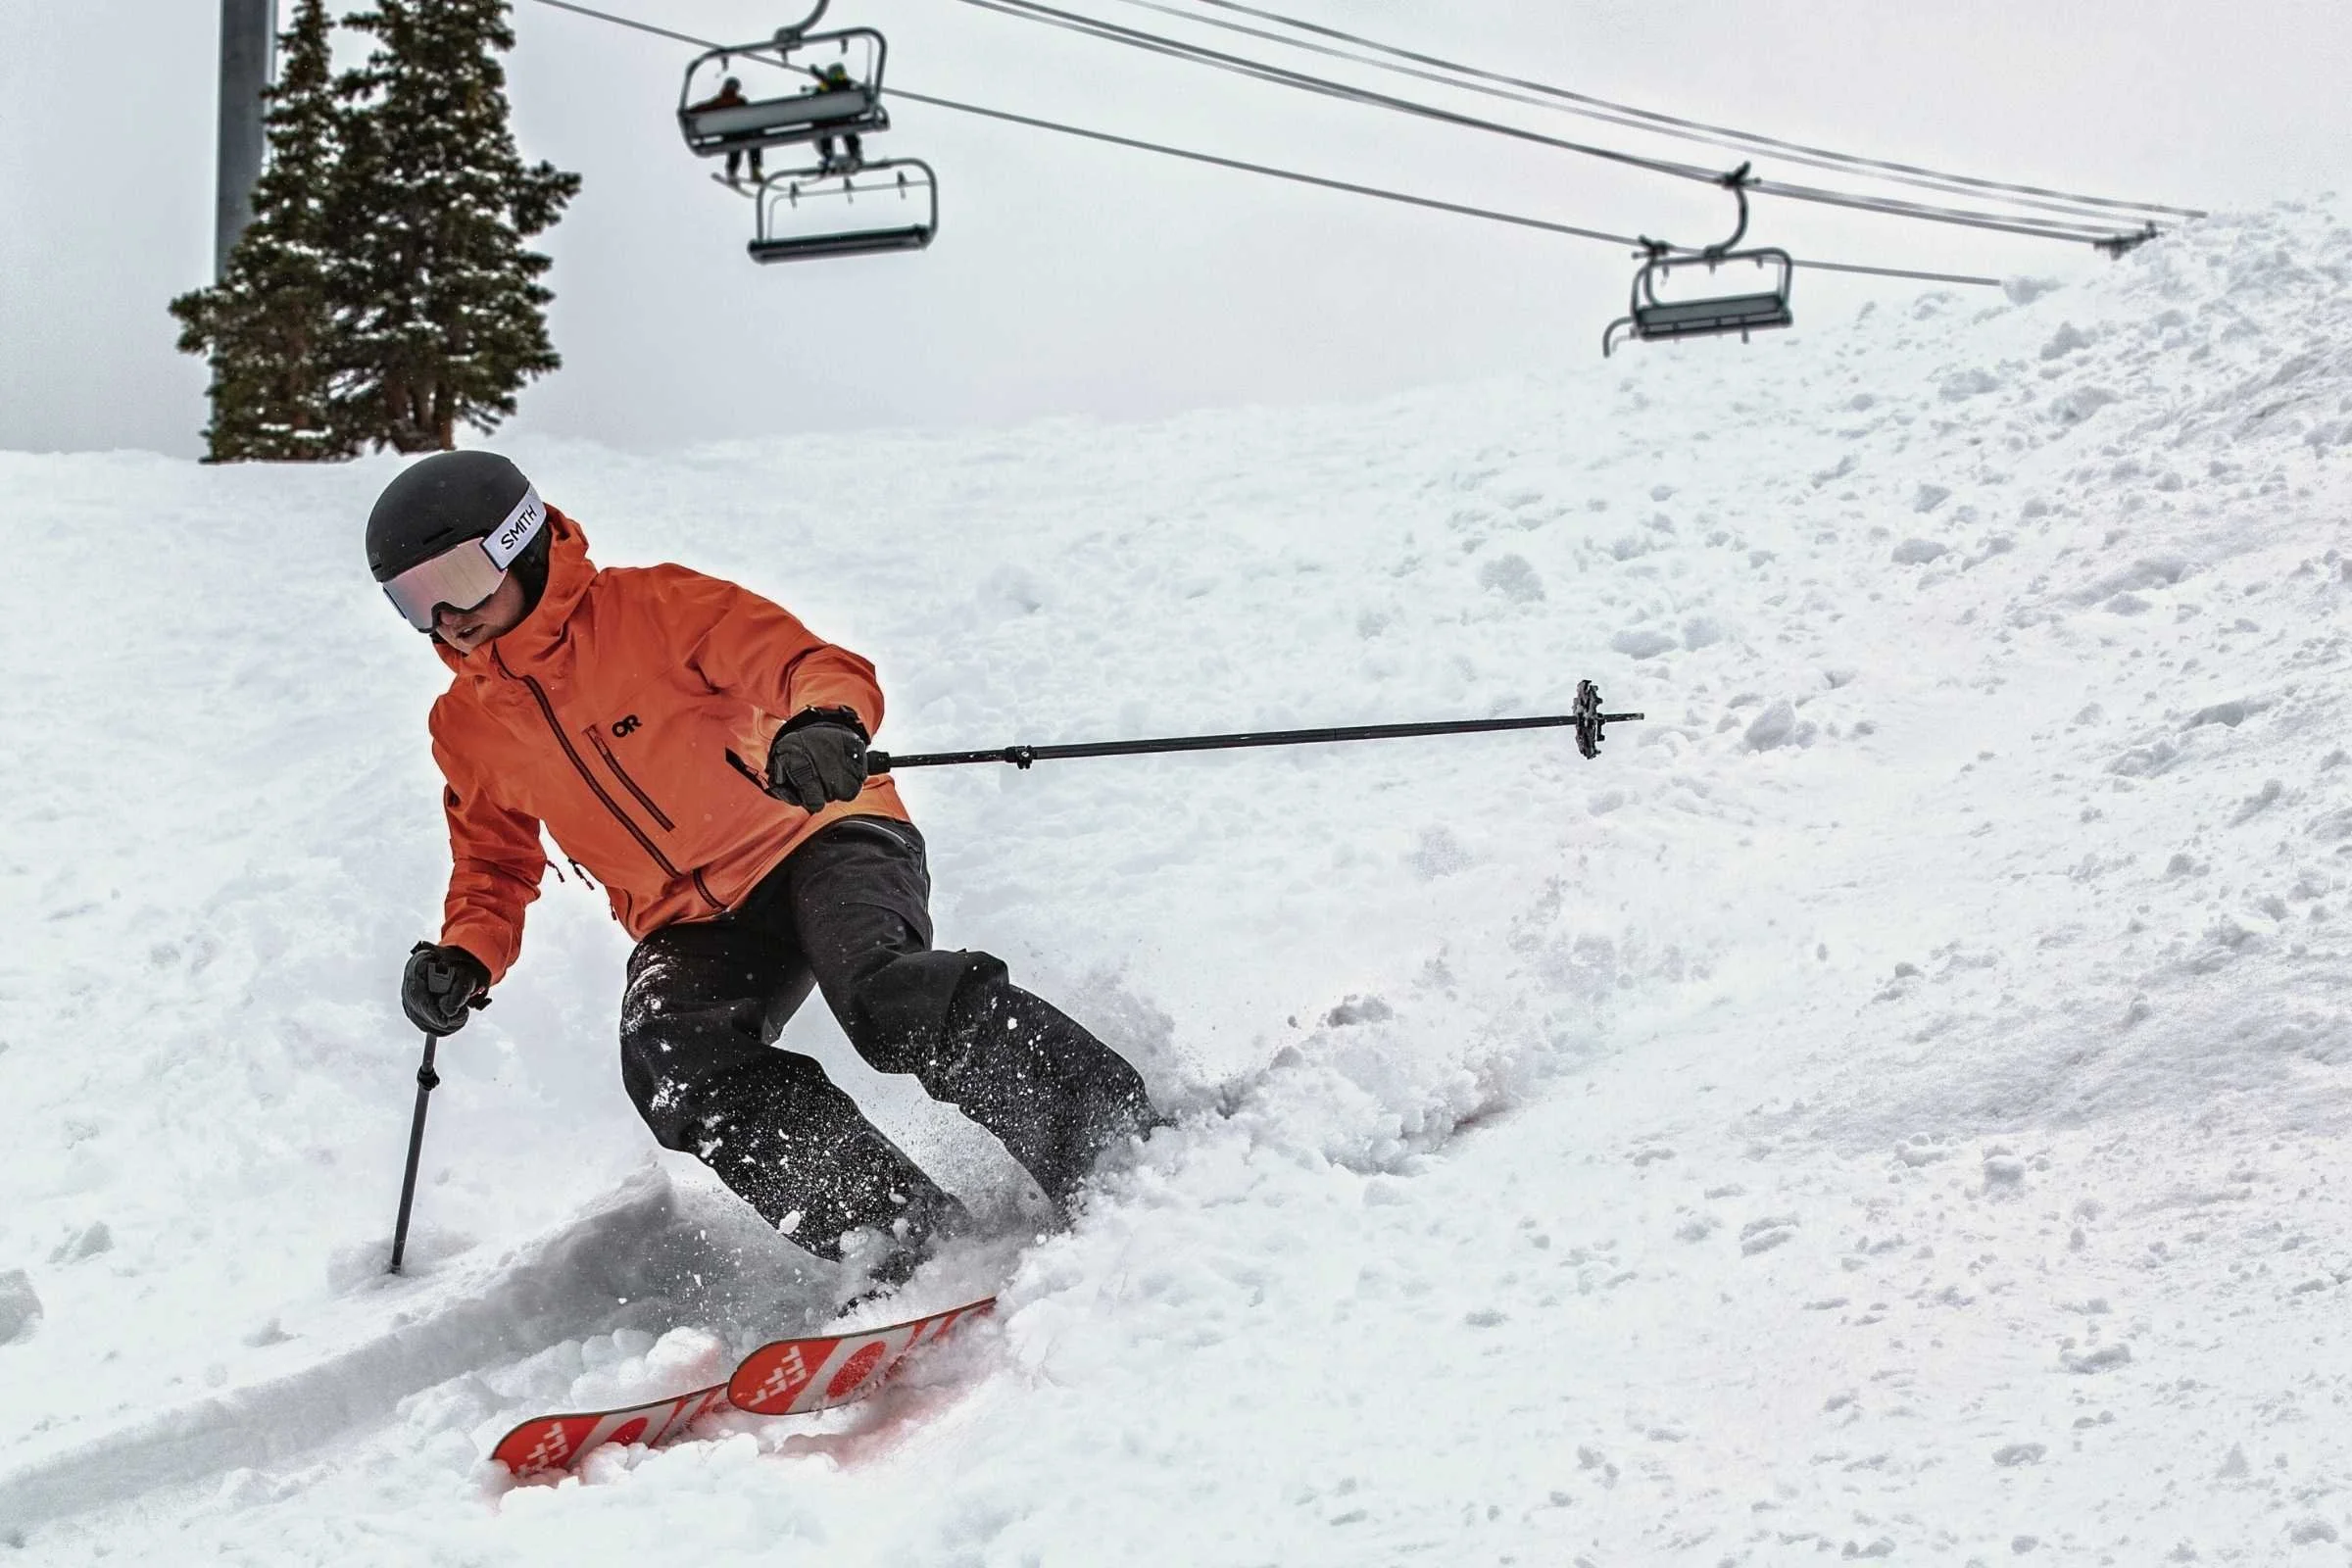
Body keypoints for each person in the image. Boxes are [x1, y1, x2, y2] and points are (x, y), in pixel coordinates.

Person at [370, 452, 1157, 1285]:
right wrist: (466, 954)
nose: (446, 617)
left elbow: (806, 664)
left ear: (521, 543)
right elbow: (494, 863)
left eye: (458, 578)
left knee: (883, 994)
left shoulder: (653, 608)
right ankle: (904, 1243)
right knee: (671, 1053)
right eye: (414, 600)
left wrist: (824, 723)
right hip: (690, 918)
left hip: (817, 831)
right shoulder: (467, 726)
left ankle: (1107, 1139)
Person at [689, 75, 762, 185]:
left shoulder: (718, 102)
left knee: (736, 145)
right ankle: (754, 169)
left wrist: (688, 112)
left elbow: (701, 108)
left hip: (729, 135)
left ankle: (732, 171)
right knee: (753, 140)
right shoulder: (740, 101)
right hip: (741, 133)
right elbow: (750, 115)